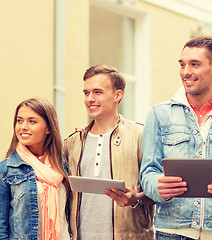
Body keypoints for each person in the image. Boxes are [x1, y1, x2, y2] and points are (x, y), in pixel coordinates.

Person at [139, 36, 212, 240]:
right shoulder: (158, 114)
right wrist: (157, 185)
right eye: (182, 64)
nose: (186, 72)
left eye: (194, 64)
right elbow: (148, 172)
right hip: (171, 231)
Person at [63, 64, 155, 239]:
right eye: (86, 93)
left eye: (97, 92)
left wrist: (137, 199)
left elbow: (161, 191)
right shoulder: (71, 143)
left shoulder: (141, 136)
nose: (90, 98)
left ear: (117, 95)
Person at [0, 98, 71, 240]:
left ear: (48, 128)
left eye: (32, 121)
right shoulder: (2, 172)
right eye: (19, 121)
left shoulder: (62, 166)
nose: (23, 126)